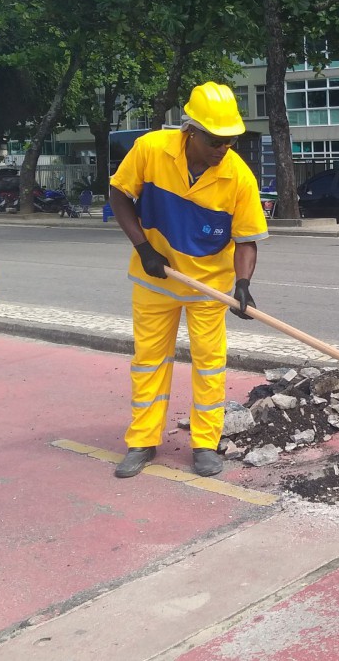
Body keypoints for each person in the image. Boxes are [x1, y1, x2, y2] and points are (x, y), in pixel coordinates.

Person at [107, 82, 268, 478]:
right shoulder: (151, 149)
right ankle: (143, 441)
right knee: (148, 363)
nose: (223, 148)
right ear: (190, 131)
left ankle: (205, 444)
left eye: (230, 141)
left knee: (209, 366)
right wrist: (144, 247)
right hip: (155, 281)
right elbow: (118, 194)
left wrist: (242, 285)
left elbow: (247, 240)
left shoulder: (238, 177)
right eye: (215, 139)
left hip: (207, 288)